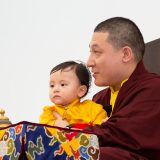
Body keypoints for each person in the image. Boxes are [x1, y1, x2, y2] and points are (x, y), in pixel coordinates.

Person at [85, 17, 160, 160]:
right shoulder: (99, 99)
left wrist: (67, 134)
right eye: (90, 52)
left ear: (125, 54)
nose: (89, 62)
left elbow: (119, 134)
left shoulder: (154, 89)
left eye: (97, 52)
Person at [39, 61, 107, 134]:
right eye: (52, 85)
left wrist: (105, 123)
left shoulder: (92, 109)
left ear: (81, 90)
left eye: (62, 84)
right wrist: (54, 124)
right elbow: (40, 135)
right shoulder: (48, 113)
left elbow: (101, 132)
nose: (55, 89)